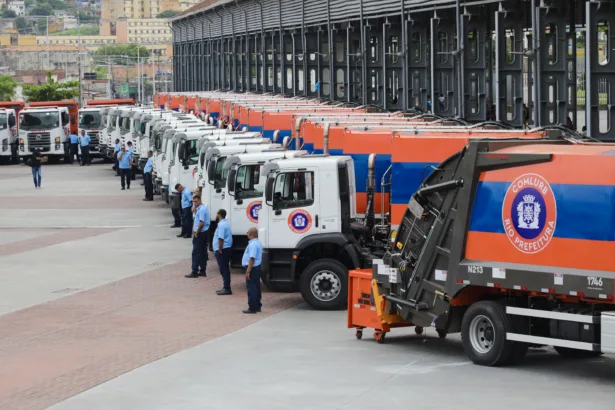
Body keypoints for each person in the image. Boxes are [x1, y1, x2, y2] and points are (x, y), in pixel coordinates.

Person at [186, 195, 210, 278]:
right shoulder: (199, 209)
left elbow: (201, 223)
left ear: (200, 200)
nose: (194, 203)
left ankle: (194, 270)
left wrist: (197, 233)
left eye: (196, 201)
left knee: (196, 252)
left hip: (200, 233)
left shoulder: (202, 209)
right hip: (203, 232)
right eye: (193, 202)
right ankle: (202, 270)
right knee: (202, 252)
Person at [242, 227, 262, 314]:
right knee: (256, 287)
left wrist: (248, 271)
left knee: (251, 288)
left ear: (250, 234)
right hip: (256, 268)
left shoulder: (253, 244)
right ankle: (257, 306)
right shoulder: (258, 242)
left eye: (248, 233)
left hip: (253, 268)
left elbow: (252, 258)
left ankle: (252, 307)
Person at [213, 209, 233, 295]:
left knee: (223, 269)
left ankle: (227, 288)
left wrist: (220, 248)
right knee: (224, 268)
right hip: (226, 248)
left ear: (219, 215)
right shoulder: (226, 223)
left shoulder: (221, 225)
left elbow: (220, 238)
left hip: (223, 249)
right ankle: (226, 287)